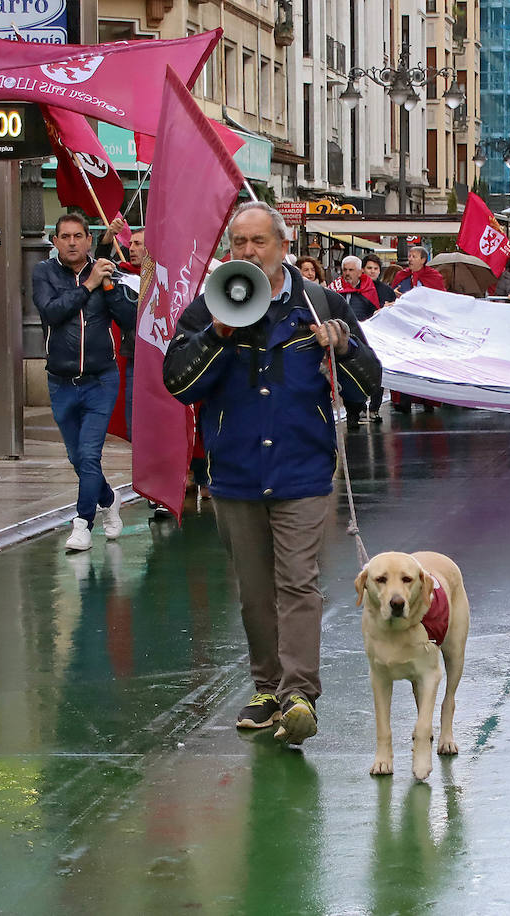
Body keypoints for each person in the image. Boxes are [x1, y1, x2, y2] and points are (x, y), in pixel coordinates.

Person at [163, 202, 381, 744]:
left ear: (284, 248)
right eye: (238, 244)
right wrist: (216, 332)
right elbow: (179, 384)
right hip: (235, 472)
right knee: (255, 591)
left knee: (297, 583)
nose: (248, 253)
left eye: (259, 242)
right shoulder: (207, 309)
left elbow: (370, 385)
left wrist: (344, 347)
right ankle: (267, 688)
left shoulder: (322, 304)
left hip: (302, 469)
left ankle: (300, 694)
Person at [31, 213, 136, 548]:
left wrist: (111, 286)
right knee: (77, 458)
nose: (72, 242)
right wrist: (88, 285)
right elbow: (51, 312)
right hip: (61, 381)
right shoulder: (44, 272)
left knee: (89, 455)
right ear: (55, 241)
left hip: (100, 380)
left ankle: (82, 523)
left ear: (90, 240)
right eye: (65, 236)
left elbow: (130, 319)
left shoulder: (106, 271)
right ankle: (109, 499)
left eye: (78, 236)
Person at [330, 255, 385, 428]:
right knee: (345, 376)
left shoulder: (371, 290)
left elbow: (378, 312)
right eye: (344, 270)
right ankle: (353, 412)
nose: (347, 273)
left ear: (360, 272)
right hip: (342, 340)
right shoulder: (334, 289)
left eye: (351, 270)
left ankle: (367, 406)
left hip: (363, 340)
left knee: (363, 373)